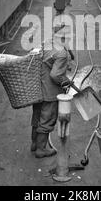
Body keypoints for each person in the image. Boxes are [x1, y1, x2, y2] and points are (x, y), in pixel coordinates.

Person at [31, 25, 73, 159]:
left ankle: (34, 144)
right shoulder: (61, 52)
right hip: (50, 92)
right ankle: (41, 149)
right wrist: (66, 82)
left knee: (37, 117)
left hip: (38, 88)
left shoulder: (47, 43)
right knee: (47, 119)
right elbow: (55, 75)